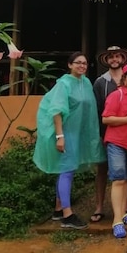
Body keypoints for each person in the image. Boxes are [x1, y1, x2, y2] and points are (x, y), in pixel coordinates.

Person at [33, 52, 105, 229]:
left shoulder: (86, 82)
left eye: (85, 63)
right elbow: (56, 110)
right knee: (67, 170)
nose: (82, 66)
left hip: (79, 133)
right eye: (78, 63)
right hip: (66, 134)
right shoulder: (63, 84)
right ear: (70, 65)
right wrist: (59, 136)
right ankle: (67, 215)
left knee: (65, 170)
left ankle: (58, 208)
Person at [91, 45, 127, 222]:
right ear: (106, 60)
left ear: (123, 58)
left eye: (117, 56)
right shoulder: (101, 82)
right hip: (107, 132)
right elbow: (97, 109)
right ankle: (99, 206)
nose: (114, 59)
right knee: (102, 170)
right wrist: (100, 134)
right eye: (111, 57)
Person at [102, 62, 127, 239]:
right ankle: (117, 221)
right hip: (117, 143)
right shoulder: (116, 95)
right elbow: (106, 119)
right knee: (118, 179)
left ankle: (124, 214)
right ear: (124, 79)